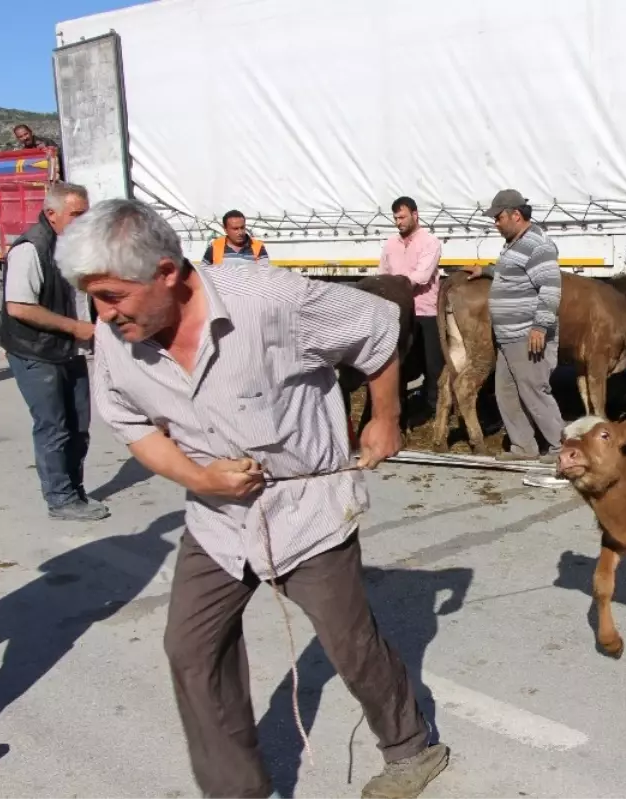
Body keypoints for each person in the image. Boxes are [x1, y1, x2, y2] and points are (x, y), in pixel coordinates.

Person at [57, 198, 448, 799]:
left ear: (166, 272)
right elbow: (134, 426)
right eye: (93, 299)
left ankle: (411, 747)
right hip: (216, 520)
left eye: (113, 297)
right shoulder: (116, 337)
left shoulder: (269, 301)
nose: (103, 316)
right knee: (192, 648)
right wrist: (200, 480)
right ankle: (237, 791)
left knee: (349, 643)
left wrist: (386, 417)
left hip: (305, 511)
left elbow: (377, 327)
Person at [0, 182, 108, 521]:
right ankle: (60, 500)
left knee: (79, 425)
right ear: (52, 214)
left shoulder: (75, 246)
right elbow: (18, 307)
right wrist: (77, 328)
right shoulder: (30, 249)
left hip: (70, 350)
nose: (83, 220)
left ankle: (74, 490)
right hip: (36, 351)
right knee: (53, 426)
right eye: (76, 214)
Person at [465, 189, 564, 462]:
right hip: (509, 337)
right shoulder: (514, 243)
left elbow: (550, 288)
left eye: (498, 218)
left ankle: (561, 448)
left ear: (516, 215)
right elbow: (512, 272)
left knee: (534, 391)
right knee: (506, 392)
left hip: (527, 335)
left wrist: (540, 327)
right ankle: (524, 447)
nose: (495, 223)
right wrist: (486, 271)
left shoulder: (538, 245)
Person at [379, 196, 445, 422]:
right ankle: (402, 410)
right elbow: (383, 274)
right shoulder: (390, 244)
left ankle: (434, 409)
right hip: (399, 313)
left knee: (432, 363)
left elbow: (423, 276)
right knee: (403, 362)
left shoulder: (430, 242)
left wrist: (395, 286)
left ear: (415, 215)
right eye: (396, 218)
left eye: (403, 217)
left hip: (425, 311)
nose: (399, 222)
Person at [201, 209, 268, 265]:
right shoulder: (215, 246)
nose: (240, 232)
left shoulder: (258, 247)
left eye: (242, 227)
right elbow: (203, 274)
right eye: (235, 229)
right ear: (225, 229)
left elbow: (264, 274)